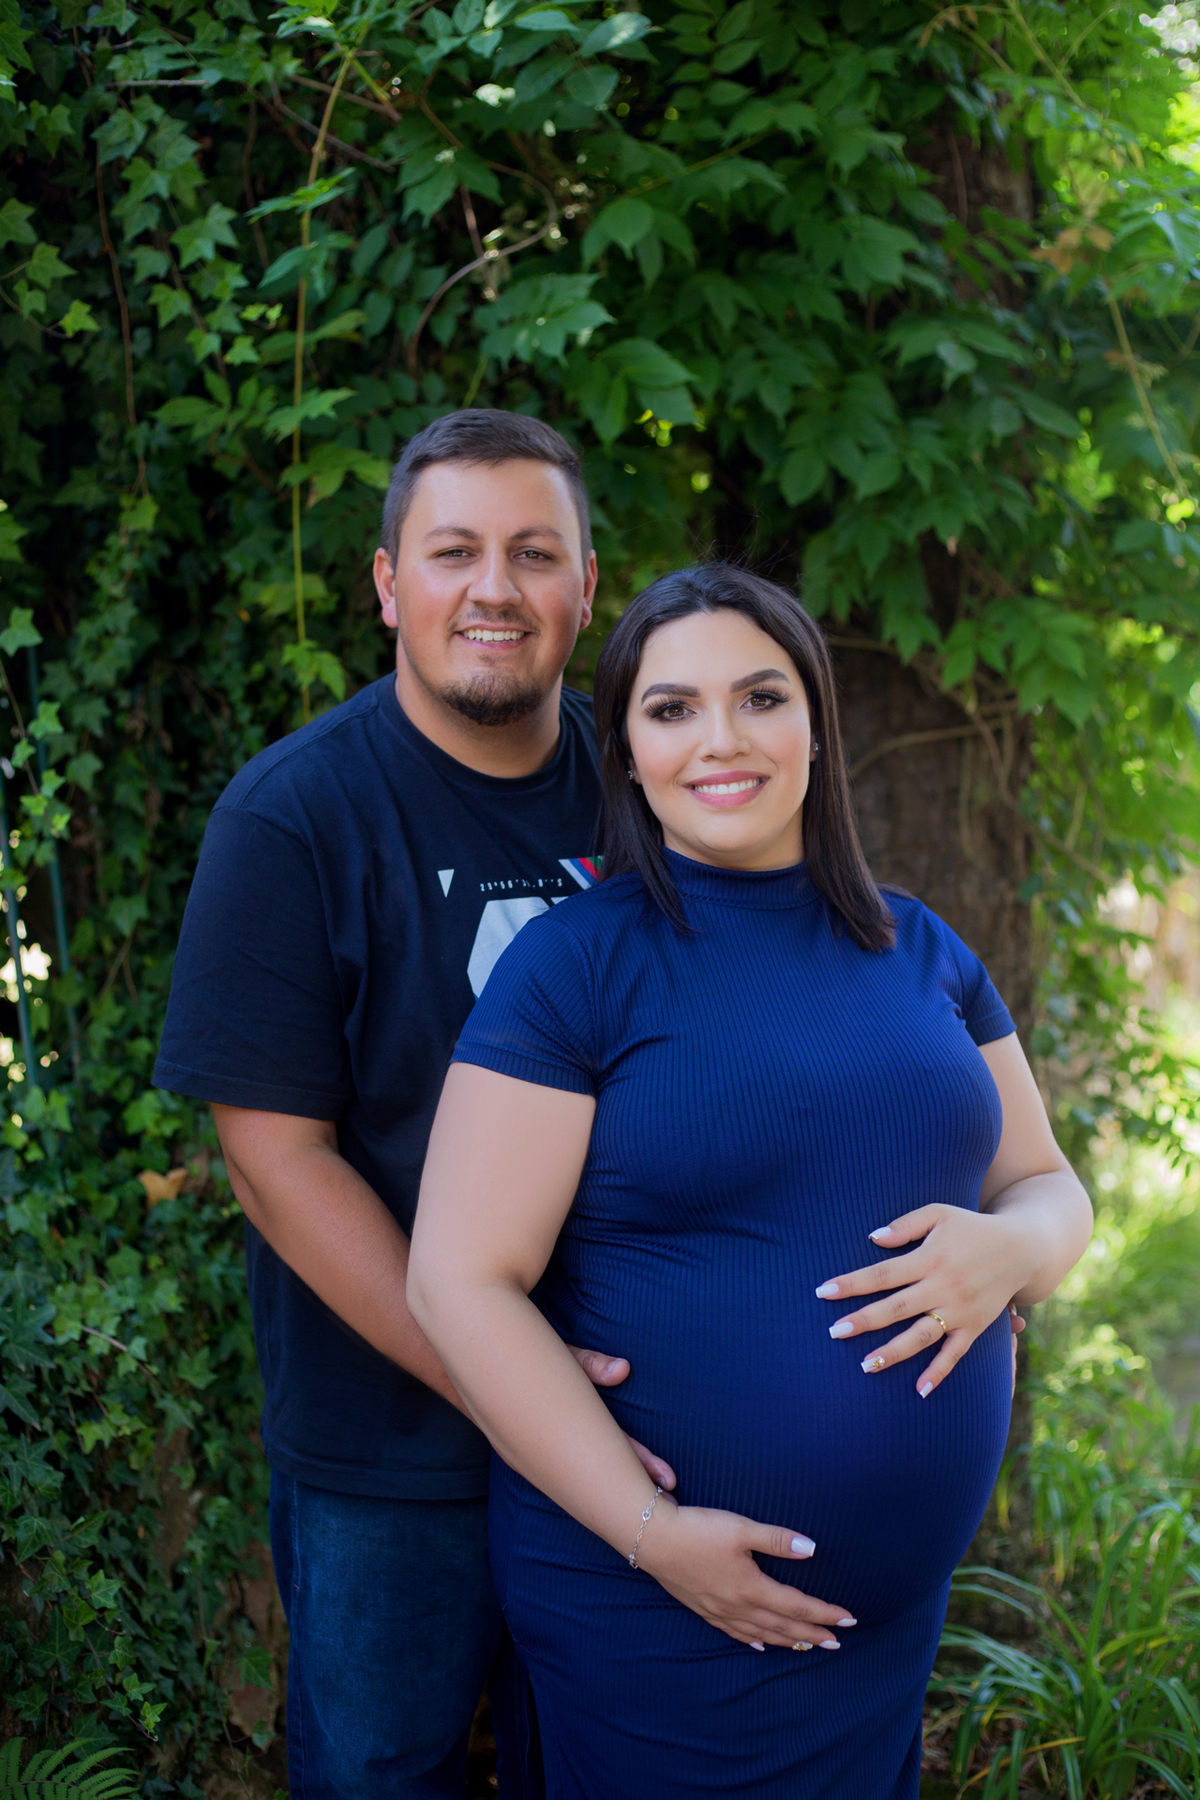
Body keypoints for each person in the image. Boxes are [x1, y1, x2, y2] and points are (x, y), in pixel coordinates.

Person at [408, 563, 1093, 1800]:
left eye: (760, 697)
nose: (720, 740)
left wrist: (1016, 1250)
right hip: (653, 1607)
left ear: (817, 726)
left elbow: (1047, 1182)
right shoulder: (576, 969)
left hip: (879, 1636)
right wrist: (654, 1536)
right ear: (623, 749)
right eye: (671, 709)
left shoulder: (919, 947)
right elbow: (459, 1280)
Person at [152, 410, 677, 1800]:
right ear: (389, 583)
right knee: (386, 1776)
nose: (493, 588)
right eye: (452, 552)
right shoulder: (293, 820)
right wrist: (514, 1390)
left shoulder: (655, 796)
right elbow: (278, 1164)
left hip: (652, 1425)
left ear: (582, 587)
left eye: (532, 553)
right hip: (391, 1454)